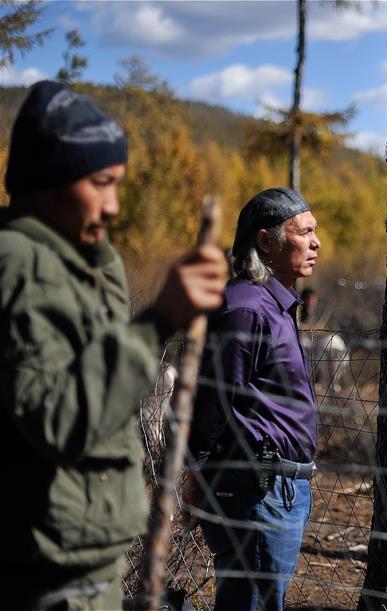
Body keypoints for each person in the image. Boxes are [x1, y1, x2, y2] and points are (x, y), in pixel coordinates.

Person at [0, 80, 229, 610]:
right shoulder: (18, 265)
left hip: (88, 557)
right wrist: (158, 322)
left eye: (119, 185)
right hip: (46, 571)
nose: (113, 206)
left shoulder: (82, 259)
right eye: (100, 183)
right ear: (47, 178)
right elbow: (58, 418)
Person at [187, 187, 320, 611]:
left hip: (280, 492)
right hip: (257, 495)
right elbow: (211, 405)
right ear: (266, 242)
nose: (316, 242)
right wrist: (199, 481)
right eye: (304, 232)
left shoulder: (275, 305)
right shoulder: (246, 308)